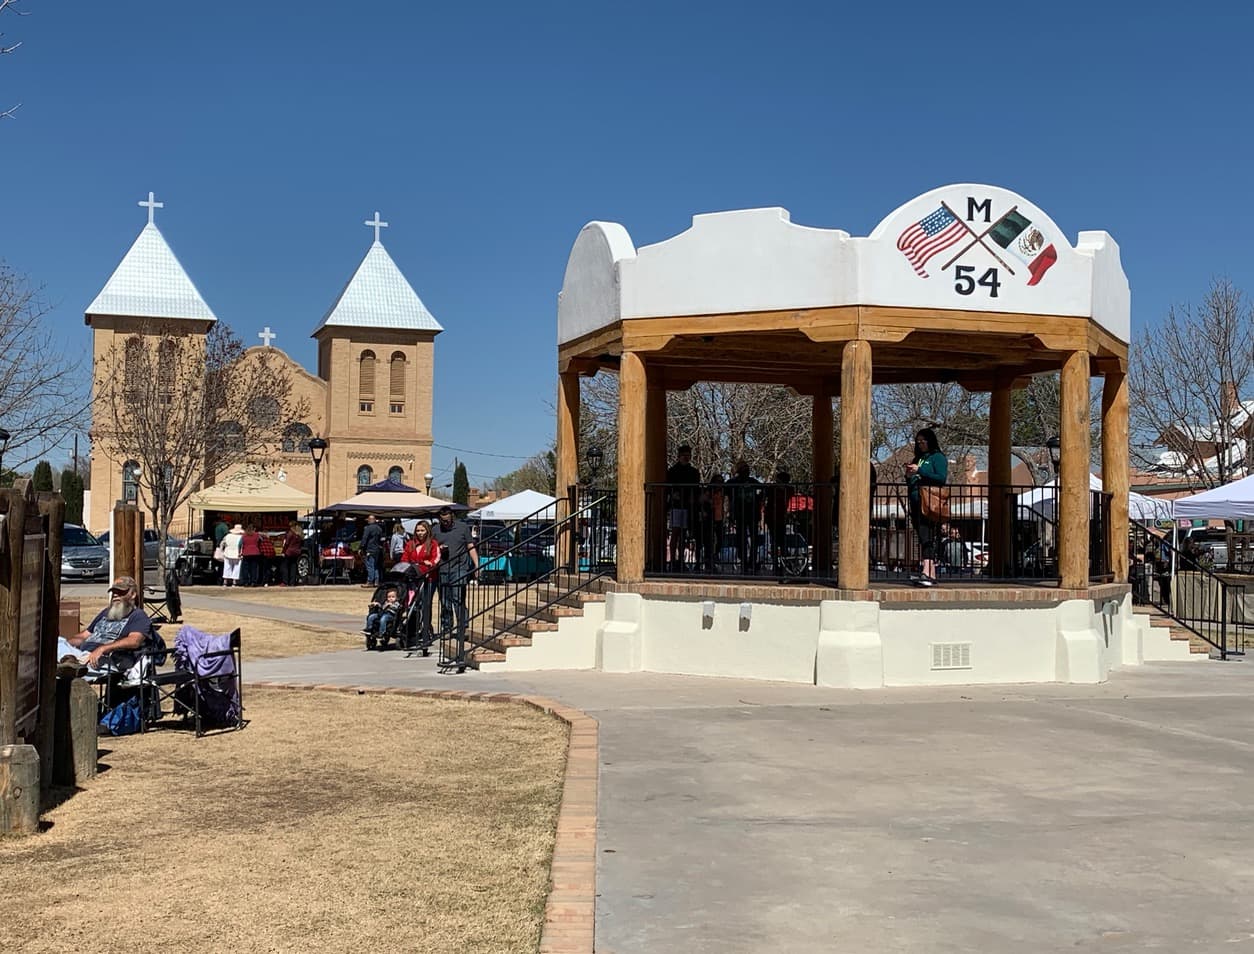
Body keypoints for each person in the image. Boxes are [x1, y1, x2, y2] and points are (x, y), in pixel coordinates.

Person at [57, 576, 152, 677]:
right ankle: (68, 661)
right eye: (113, 591)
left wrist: (103, 649)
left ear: (133, 594)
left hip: (107, 659)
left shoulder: (138, 615)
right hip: (82, 656)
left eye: (120, 592)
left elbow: (134, 641)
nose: (115, 595)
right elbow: (84, 636)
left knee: (58, 673)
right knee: (57, 642)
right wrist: (66, 645)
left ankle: (70, 666)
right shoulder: (106, 613)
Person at [432, 506, 479, 662]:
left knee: (458, 598)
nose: (445, 522)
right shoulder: (436, 530)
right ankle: (447, 627)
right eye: (442, 519)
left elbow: (470, 546)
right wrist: (438, 549)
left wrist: (476, 565)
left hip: (460, 567)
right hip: (443, 569)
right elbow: (431, 548)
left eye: (447, 519)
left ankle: (462, 626)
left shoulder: (463, 528)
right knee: (445, 601)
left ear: (452, 516)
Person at [905, 427, 948, 587]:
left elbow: (941, 478)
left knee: (927, 535)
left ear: (930, 441)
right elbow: (911, 481)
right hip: (916, 501)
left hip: (930, 503)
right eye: (918, 442)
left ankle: (928, 571)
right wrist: (909, 475)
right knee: (921, 536)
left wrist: (921, 470)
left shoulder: (937, 457)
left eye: (923, 441)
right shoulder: (918, 458)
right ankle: (928, 572)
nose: (921, 444)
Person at [402, 520, 441, 651]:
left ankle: (426, 629)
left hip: (429, 578)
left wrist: (429, 563)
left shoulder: (433, 544)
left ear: (427, 531)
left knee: (426, 604)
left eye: (422, 530)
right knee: (413, 604)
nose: (420, 533)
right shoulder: (410, 544)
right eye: (418, 530)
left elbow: (436, 559)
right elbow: (404, 559)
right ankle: (412, 630)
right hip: (414, 577)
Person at [665, 445, 701, 572]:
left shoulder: (694, 472)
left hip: (688, 506)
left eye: (688, 455)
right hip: (676, 506)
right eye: (684, 455)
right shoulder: (672, 471)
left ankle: (681, 560)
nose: (686, 457)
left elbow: (696, 489)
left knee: (684, 534)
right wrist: (673, 494)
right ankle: (673, 560)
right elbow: (668, 487)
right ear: (679, 456)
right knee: (675, 532)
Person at [727, 460, 762, 574]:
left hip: (752, 514)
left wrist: (758, 499)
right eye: (743, 468)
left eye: (746, 468)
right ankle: (743, 560)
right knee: (741, 539)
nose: (746, 470)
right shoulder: (733, 482)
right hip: (740, 514)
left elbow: (763, 490)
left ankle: (752, 560)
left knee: (754, 539)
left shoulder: (753, 481)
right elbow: (724, 489)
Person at [361, 514, 384, 587]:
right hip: (377, 549)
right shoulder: (379, 528)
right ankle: (376, 581)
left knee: (370, 566)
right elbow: (382, 539)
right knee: (376, 565)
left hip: (370, 549)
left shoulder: (368, 528)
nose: (367, 521)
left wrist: (361, 547)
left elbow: (364, 538)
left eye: (368, 519)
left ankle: (370, 581)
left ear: (371, 520)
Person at [282, 521, 304, 587]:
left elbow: (286, 543)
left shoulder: (290, 534)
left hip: (289, 552)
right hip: (296, 552)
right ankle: (292, 582)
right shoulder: (299, 534)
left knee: (285, 567)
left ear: (291, 527)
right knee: (293, 567)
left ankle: (285, 582)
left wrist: (283, 551)